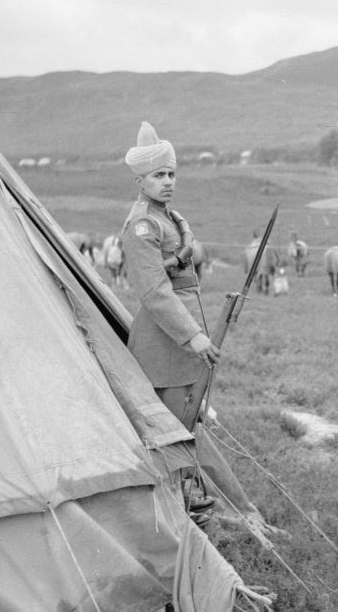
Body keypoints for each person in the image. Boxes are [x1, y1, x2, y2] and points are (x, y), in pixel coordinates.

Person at [121, 121, 286, 538]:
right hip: (164, 343)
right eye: (159, 175)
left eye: (172, 174)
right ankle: (193, 524)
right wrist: (193, 336)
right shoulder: (142, 226)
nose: (168, 182)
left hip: (185, 340)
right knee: (178, 438)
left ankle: (229, 513)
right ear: (139, 179)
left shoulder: (171, 218)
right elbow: (155, 292)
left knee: (188, 430)